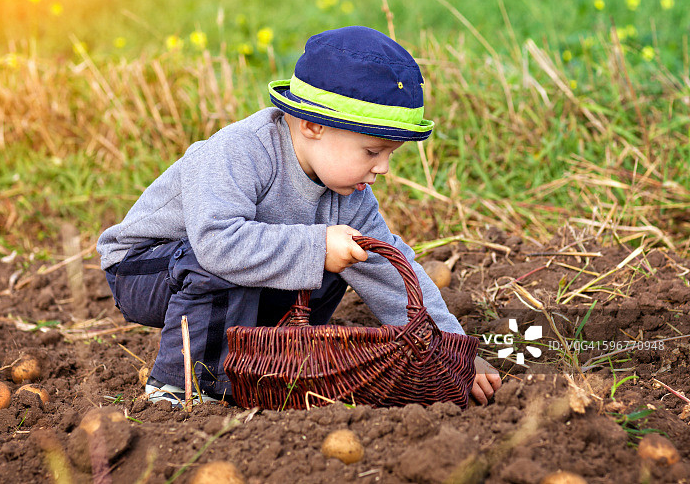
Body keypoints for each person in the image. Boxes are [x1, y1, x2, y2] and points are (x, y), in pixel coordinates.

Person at [97, 26, 501, 406]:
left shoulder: (351, 195)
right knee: (241, 260)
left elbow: (388, 272)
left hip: (221, 267)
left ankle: (271, 363)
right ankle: (182, 387)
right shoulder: (239, 152)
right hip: (144, 269)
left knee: (345, 260)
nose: (383, 169)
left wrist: (451, 353)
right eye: (372, 152)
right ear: (312, 125)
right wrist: (316, 247)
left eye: (390, 155)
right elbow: (217, 244)